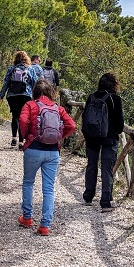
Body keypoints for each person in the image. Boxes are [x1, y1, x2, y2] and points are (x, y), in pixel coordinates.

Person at [18, 79, 76, 235]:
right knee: (49, 189)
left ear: (35, 92)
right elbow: (72, 125)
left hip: (34, 149)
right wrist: (59, 137)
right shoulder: (58, 108)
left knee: (28, 183)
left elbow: (23, 120)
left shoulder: (30, 105)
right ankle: (45, 226)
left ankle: (27, 218)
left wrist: (26, 136)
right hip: (53, 152)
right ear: (51, 92)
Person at [82, 72, 125, 212]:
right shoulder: (115, 99)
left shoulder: (92, 97)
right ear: (114, 85)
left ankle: (88, 196)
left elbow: (84, 119)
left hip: (92, 137)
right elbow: (120, 124)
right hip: (109, 138)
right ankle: (105, 201)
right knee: (107, 168)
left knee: (92, 165)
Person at [0, 51, 37, 150]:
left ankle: (14, 138)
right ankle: (21, 142)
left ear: (15, 59)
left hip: (12, 96)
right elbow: (34, 83)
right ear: (26, 59)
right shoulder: (30, 69)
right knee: (23, 118)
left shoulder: (12, 69)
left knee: (15, 116)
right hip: (25, 95)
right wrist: (36, 98)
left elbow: (6, 82)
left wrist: (1, 95)